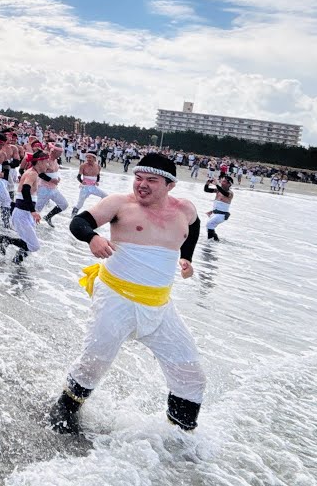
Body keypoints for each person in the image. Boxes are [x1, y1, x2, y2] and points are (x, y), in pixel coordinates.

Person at [51, 153, 206, 434]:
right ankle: (61, 415)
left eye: (151, 180)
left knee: (190, 374)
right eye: (138, 178)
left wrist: (187, 257)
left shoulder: (185, 209)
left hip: (160, 307)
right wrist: (93, 237)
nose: (142, 185)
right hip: (115, 298)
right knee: (93, 364)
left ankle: (180, 438)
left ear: (169, 185)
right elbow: (79, 222)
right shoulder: (120, 203)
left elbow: (194, 227)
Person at [0, 151, 49, 263]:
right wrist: (33, 211)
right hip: (22, 213)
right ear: (40, 162)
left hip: (24, 213)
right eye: (46, 162)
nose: (48, 165)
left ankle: (17, 260)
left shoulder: (33, 172)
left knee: (28, 242)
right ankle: (7, 240)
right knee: (34, 245)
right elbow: (25, 190)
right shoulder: (32, 173)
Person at [71, 152, 108, 217]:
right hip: (85, 187)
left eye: (90, 157)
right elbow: (78, 176)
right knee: (80, 203)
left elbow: (98, 176)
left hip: (93, 187)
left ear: (94, 158)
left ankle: (98, 210)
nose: (88, 159)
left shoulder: (98, 166)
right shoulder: (83, 165)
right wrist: (81, 181)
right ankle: (73, 216)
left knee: (105, 196)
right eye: (87, 157)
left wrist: (97, 181)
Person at [203, 175, 234, 240]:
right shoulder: (218, 190)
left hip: (221, 215)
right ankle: (214, 241)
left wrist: (216, 185)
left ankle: (211, 242)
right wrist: (207, 183)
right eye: (222, 181)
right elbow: (206, 190)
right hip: (214, 214)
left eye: (224, 181)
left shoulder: (230, 193)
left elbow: (224, 193)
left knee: (209, 225)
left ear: (229, 184)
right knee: (209, 227)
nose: (222, 183)